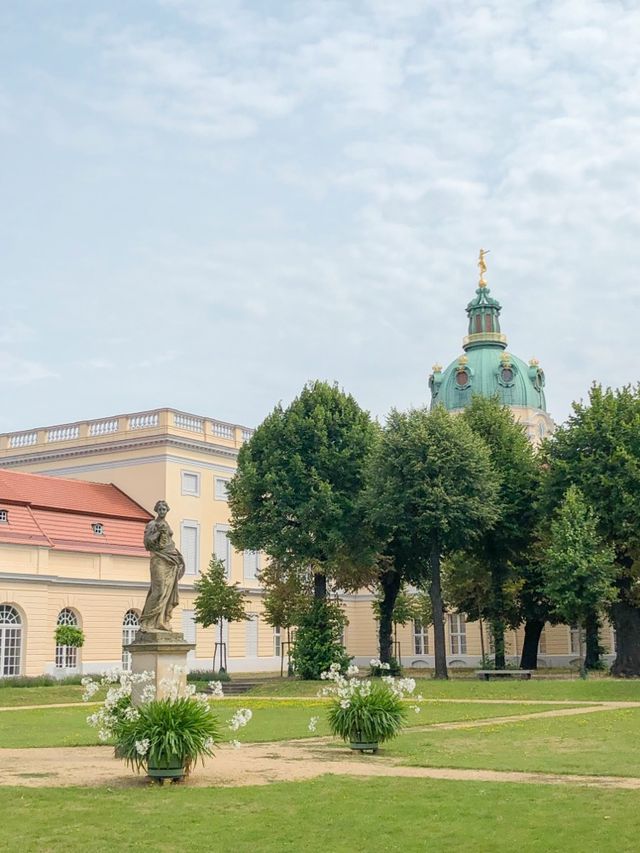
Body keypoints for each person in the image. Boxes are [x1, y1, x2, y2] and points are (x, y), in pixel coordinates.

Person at [140, 500, 186, 632]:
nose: (162, 511)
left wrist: (177, 556)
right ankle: (146, 621)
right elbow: (147, 543)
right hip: (158, 559)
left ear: (167, 510)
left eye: (164, 509)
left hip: (171, 560)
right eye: (159, 509)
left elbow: (169, 541)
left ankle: (160, 621)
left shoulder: (166, 524)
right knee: (159, 590)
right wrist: (158, 533)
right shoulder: (152, 524)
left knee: (167, 591)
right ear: (156, 510)